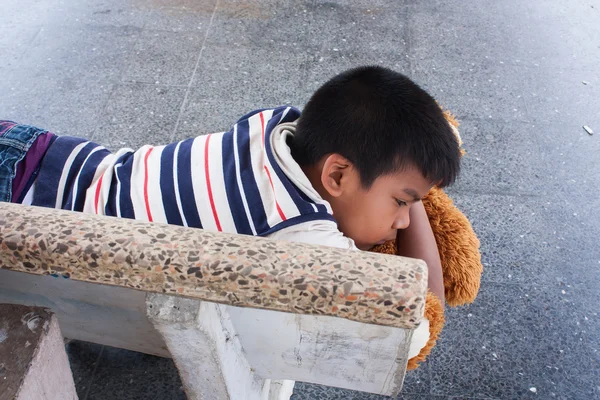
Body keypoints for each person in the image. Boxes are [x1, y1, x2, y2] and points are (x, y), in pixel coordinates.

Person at [0, 66, 460, 306]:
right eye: (401, 202)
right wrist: (423, 202)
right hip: (25, 212)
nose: (401, 220)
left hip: (37, 150)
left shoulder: (276, 125)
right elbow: (423, 306)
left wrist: (411, 185)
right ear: (336, 176)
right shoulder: (302, 236)